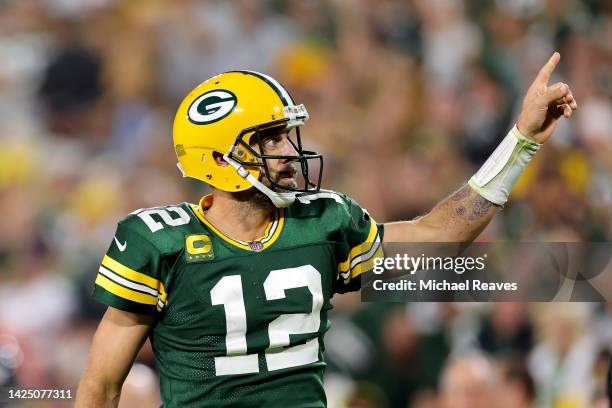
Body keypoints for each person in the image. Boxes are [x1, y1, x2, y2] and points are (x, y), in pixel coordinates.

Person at [76, 55, 577, 407]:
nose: (289, 152)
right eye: (269, 140)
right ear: (220, 159)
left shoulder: (323, 221)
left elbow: (436, 236)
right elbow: (100, 387)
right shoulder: (158, 242)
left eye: (286, 136)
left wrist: (522, 141)